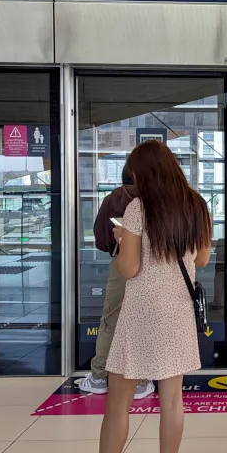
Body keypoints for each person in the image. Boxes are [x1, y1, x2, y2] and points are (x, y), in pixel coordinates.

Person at [71, 140, 211, 453]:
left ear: (144, 173)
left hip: (141, 314)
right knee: (172, 401)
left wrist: (123, 241)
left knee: (118, 405)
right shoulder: (196, 205)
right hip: (178, 314)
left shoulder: (137, 208)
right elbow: (201, 258)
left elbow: (129, 269)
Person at [75, 165, 154, 400]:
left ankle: (99, 377)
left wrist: (118, 243)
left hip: (122, 264)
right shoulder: (157, 199)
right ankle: (141, 381)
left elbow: (100, 238)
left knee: (112, 318)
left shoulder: (113, 199)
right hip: (153, 265)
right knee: (143, 319)